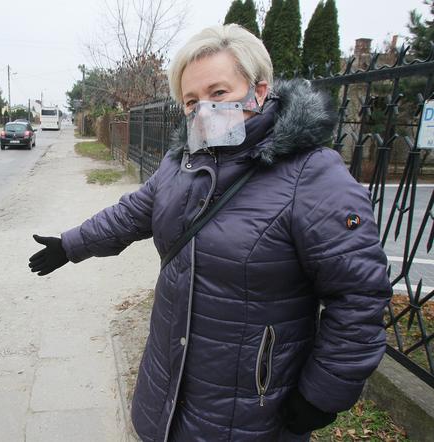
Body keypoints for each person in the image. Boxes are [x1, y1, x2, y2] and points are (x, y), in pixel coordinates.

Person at [29, 24, 391, 442]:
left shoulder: (313, 176)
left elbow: (359, 297)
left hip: (253, 409)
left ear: (259, 90)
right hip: (167, 386)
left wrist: (323, 394)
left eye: (218, 93)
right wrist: (71, 244)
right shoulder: (182, 162)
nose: (203, 110)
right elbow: (132, 212)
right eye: (190, 100)